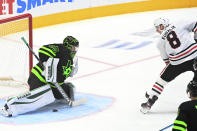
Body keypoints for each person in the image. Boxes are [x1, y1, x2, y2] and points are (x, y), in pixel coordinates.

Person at [0, 36, 79, 117]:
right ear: (67, 45)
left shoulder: (71, 60)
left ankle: (58, 97)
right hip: (38, 78)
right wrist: (46, 62)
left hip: (50, 82)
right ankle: (10, 107)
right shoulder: (59, 48)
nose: (75, 51)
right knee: (45, 96)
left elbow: (63, 75)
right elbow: (43, 50)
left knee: (70, 88)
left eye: (76, 48)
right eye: (73, 48)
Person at [140, 18, 197, 114]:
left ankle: (150, 101)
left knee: (161, 81)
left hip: (177, 62)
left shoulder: (159, 43)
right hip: (194, 56)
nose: (157, 30)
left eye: (158, 28)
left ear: (162, 26)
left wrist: (173, 69)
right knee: (195, 82)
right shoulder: (179, 22)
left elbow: (167, 61)